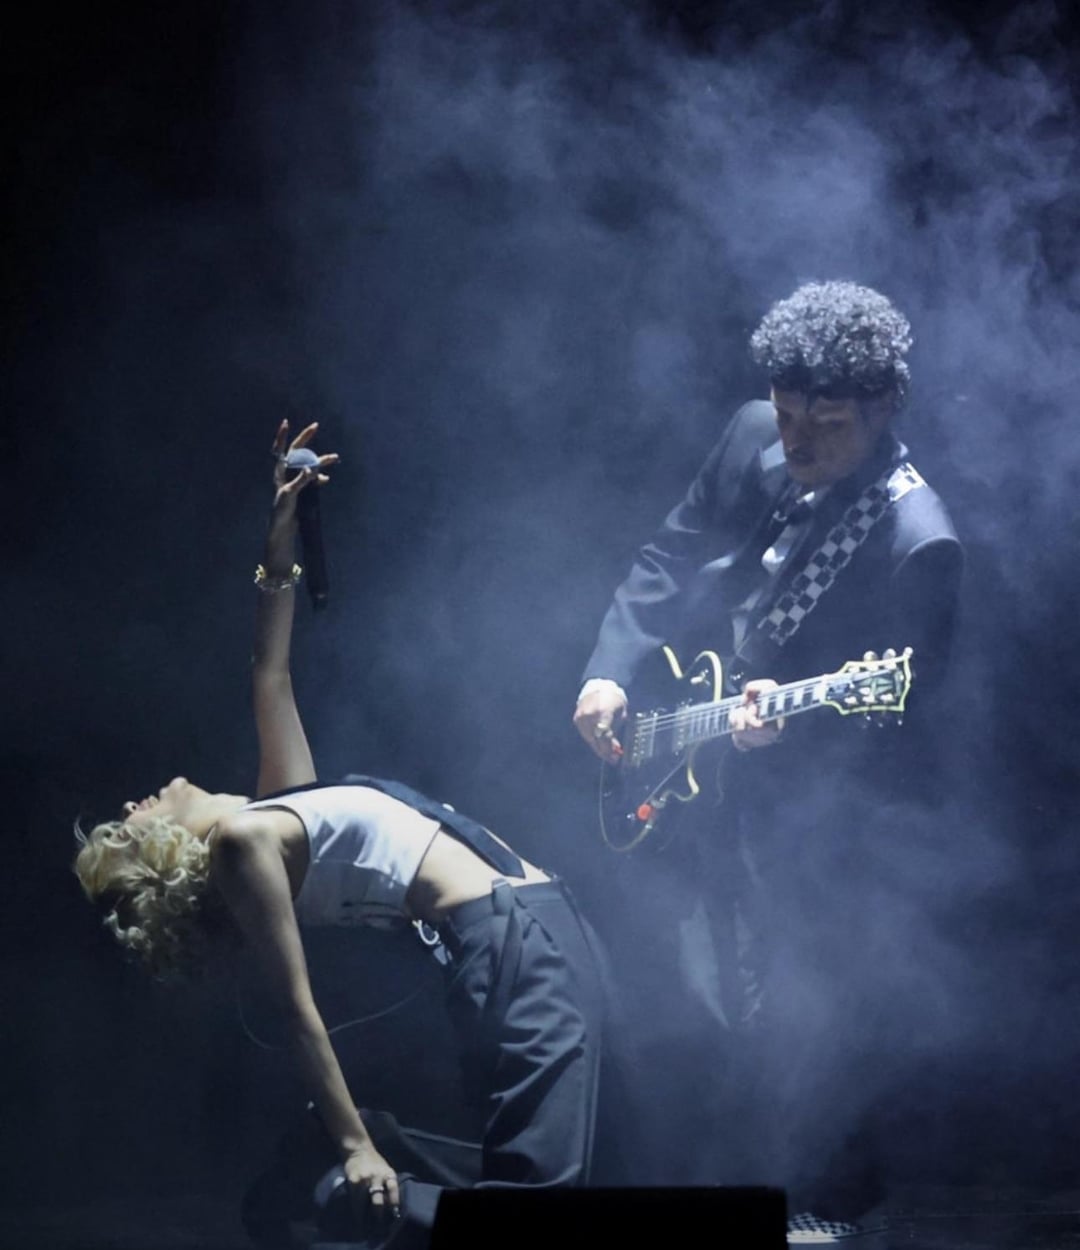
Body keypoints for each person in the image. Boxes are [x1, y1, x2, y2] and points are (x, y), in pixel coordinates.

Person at [75, 421, 605, 1248]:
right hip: (510, 945)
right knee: (539, 1211)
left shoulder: (276, 815)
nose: (135, 803)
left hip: (537, 926)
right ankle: (343, 1179)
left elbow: (270, 671)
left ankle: (350, 1165)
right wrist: (354, 1145)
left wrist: (279, 532)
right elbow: (299, 1012)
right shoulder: (241, 849)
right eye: (128, 826)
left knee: (583, 1170)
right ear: (158, 854)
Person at [572, 281, 963, 1218]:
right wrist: (609, 671)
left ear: (884, 407)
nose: (795, 445)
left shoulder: (919, 541)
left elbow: (907, 718)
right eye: (787, 417)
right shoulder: (752, 431)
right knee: (668, 993)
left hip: (810, 821)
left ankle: (825, 1205)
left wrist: (797, 731)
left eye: (826, 427)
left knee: (795, 1017)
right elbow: (669, 556)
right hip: (688, 753)